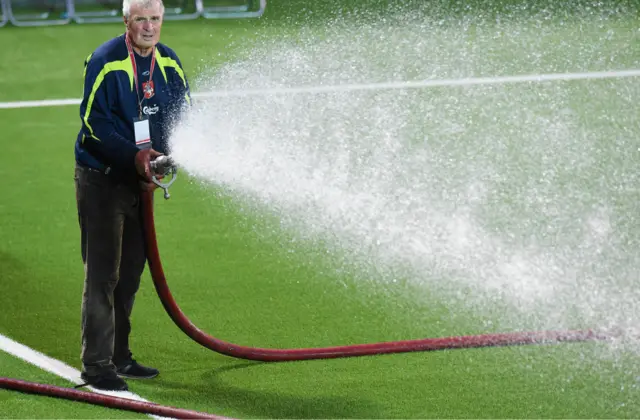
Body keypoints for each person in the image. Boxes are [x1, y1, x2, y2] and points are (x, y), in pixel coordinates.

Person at [73, 0, 191, 391]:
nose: (148, 27)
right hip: (103, 181)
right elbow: (94, 123)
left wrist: (174, 150)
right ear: (126, 21)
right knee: (103, 276)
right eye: (140, 19)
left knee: (130, 276)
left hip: (143, 184)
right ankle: (97, 366)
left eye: (155, 19)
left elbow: (184, 113)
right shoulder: (105, 61)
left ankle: (120, 357)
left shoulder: (169, 63)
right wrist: (136, 155)